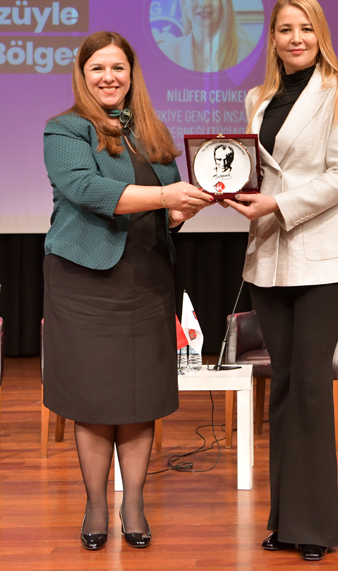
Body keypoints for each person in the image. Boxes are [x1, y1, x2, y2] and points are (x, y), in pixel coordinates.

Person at [42, 31, 213, 551]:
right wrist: (165, 196)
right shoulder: (65, 129)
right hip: (85, 282)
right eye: (97, 68)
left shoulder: (152, 132)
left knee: (139, 399)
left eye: (118, 67)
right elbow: (86, 189)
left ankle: (133, 504)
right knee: (94, 400)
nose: (109, 77)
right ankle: (96, 506)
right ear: (83, 75)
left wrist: (181, 212)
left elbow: (167, 209)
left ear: (132, 74)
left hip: (147, 279)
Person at [223, 0, 338, 562]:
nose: (296, 38)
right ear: (273, 38)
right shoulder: (257, 99)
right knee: (282, 385)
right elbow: (259, 174)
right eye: (285, 29)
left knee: (309, 384)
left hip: (325, 258)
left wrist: (277, 205)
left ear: (320, 32)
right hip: (268, 257)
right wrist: (233, 191)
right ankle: (284, 521)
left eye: (306, 28)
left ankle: (314, 527)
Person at [160, 0, 256, 72]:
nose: (204, 3)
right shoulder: (168, 52)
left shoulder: (245, 53)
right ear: (184, 1)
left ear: (224, 2)